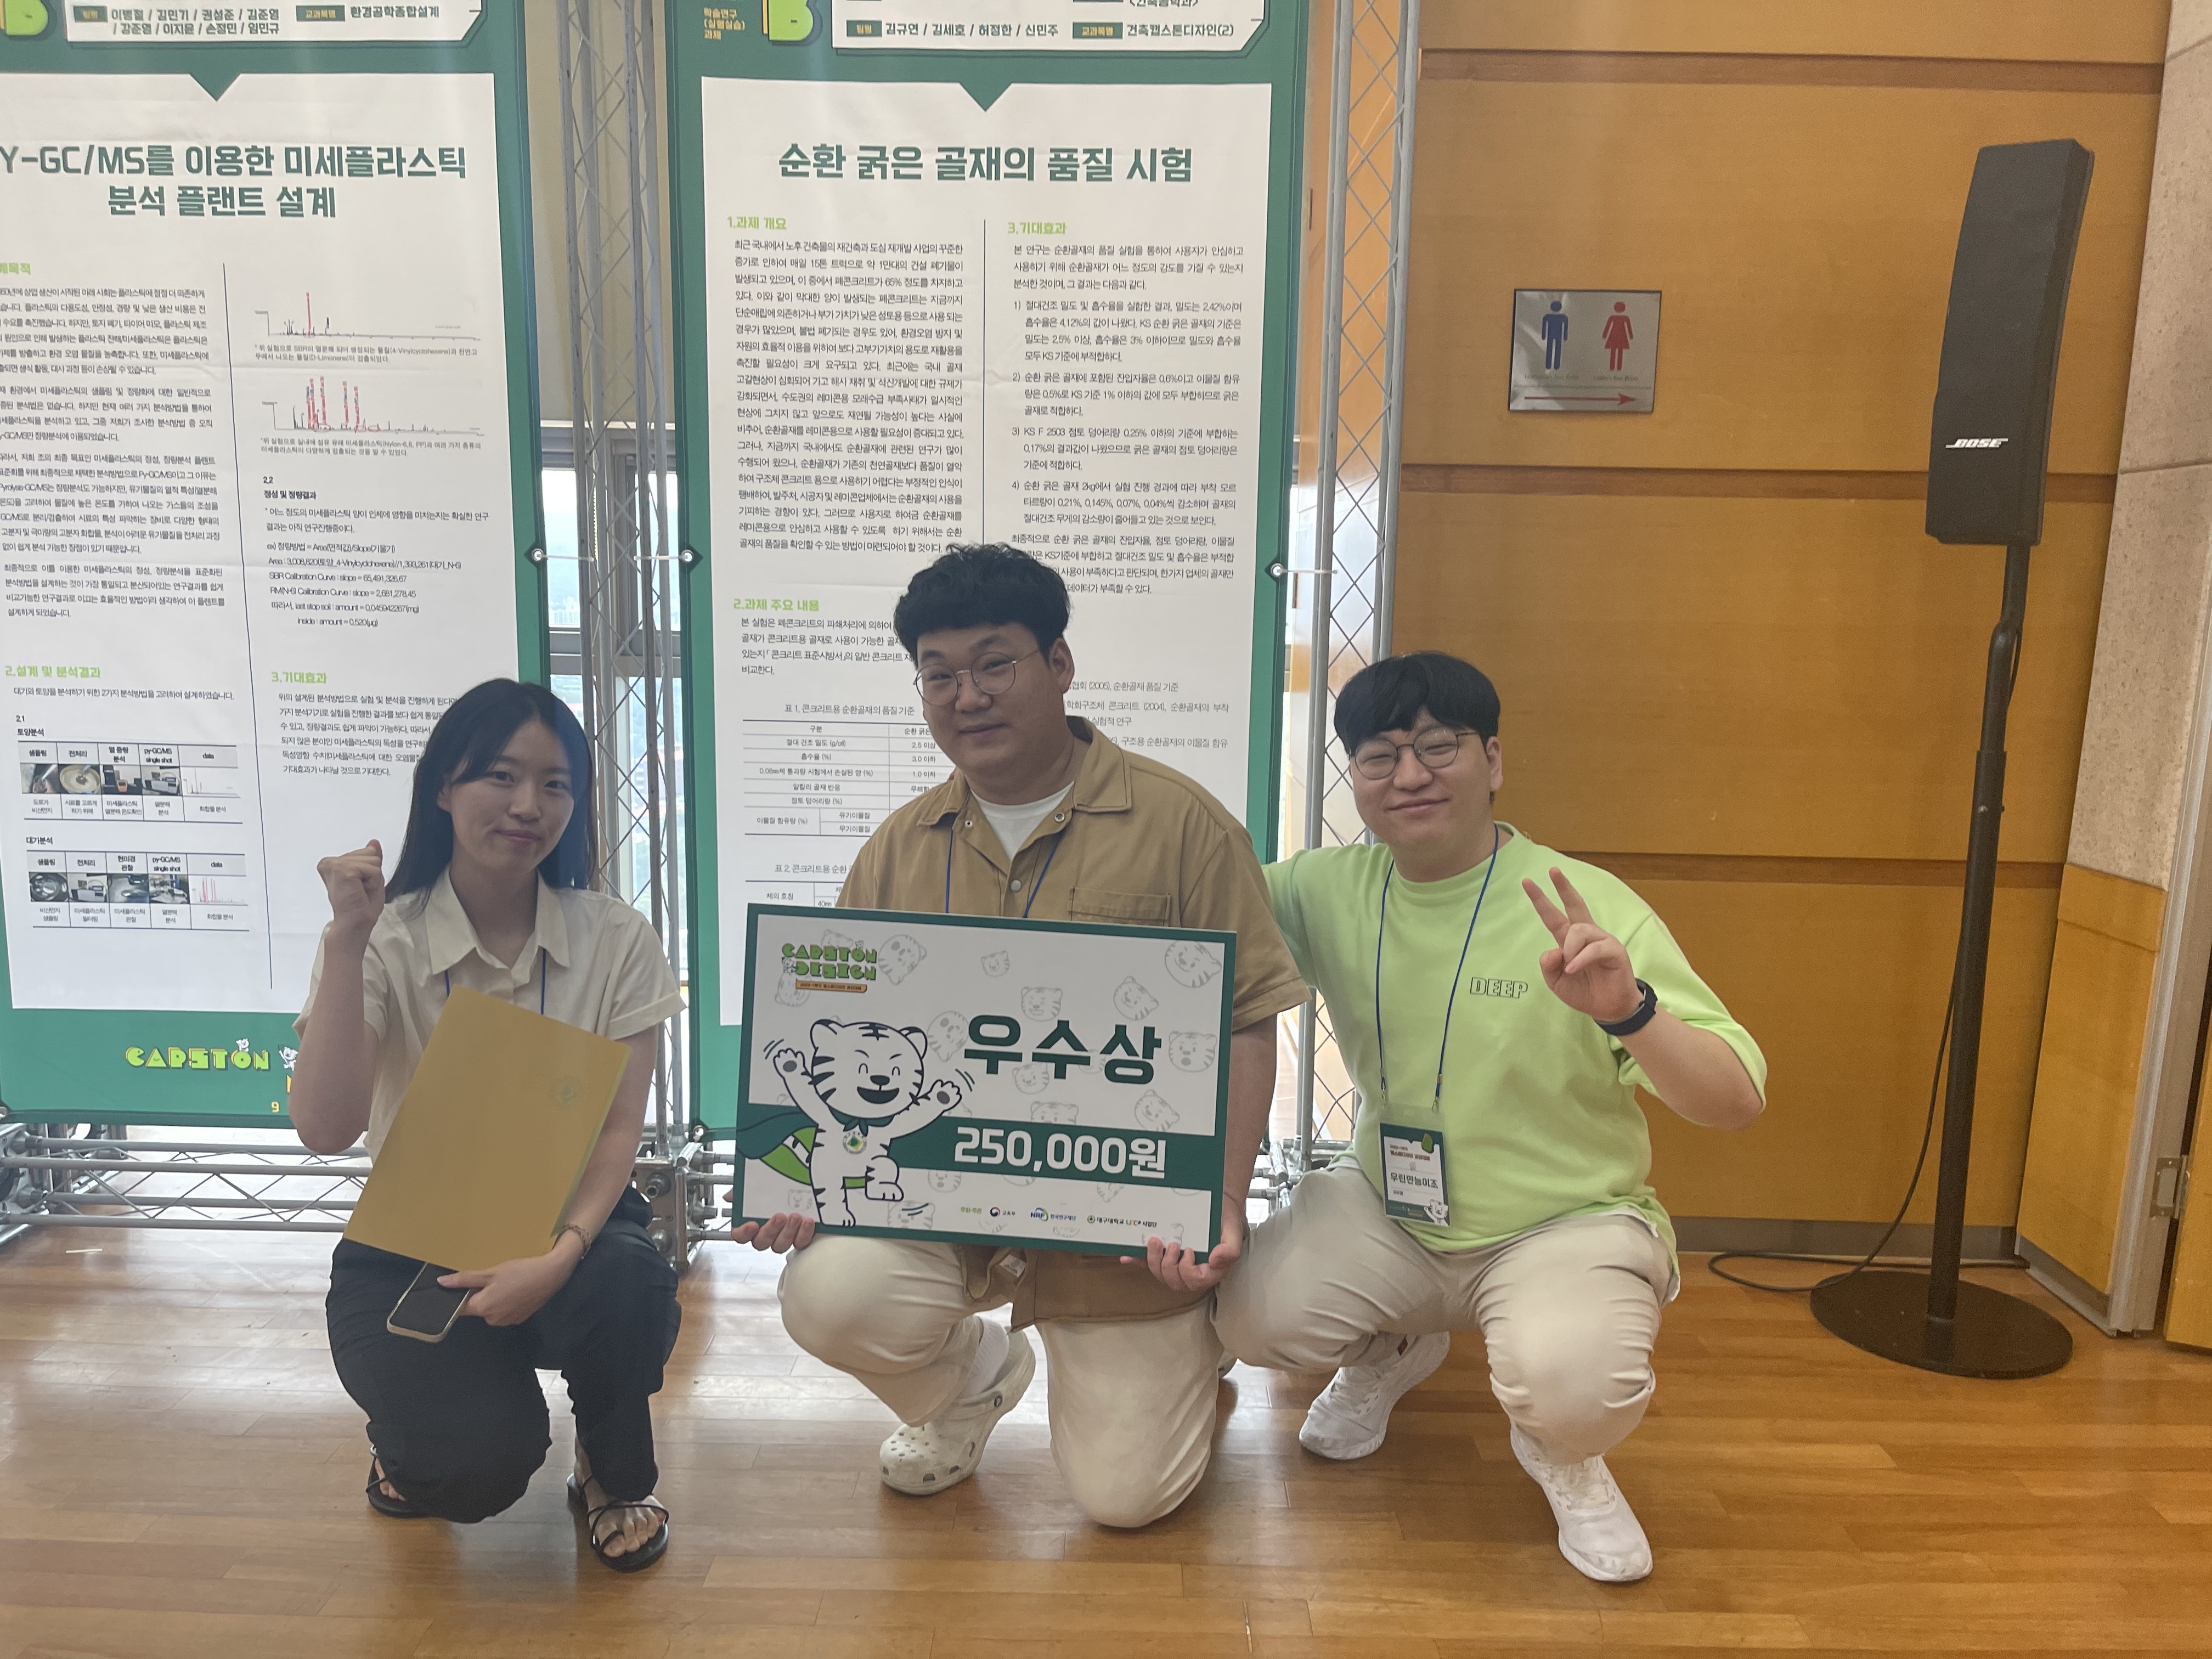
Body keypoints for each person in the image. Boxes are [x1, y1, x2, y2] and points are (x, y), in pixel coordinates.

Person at [740, 544, 1307, 1527]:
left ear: (1060, 663)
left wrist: (1217, 1195)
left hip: (1121, 1234)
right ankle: (971, 1385)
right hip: (944, 1210)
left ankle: (1193, 1344)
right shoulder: (898, 847)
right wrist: (795, 1187)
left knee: (1127, 1500)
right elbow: (838, 1030)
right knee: (829, 1296)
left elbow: (1246, 1020)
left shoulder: (1183, 825)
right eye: (939, 675)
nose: (967, 696)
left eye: (995, 664)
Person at [1214, 651, 1765, 1583]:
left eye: (1439, 746)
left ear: (1494, 760)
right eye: (1380, 755)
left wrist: (1630, 1012)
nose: (1411, 775)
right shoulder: (1320, 889)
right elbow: (1195, 920)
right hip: (1392, 1207)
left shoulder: (1582, 906)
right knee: (1252, 1319)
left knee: (1575, 1391)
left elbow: (1736, 1100)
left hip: (1564, 1220)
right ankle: (1397, 1345)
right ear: (1355, 779)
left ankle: (1564, 1452)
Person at [291, 679, 686, 1571]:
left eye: (556, 784)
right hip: (414, 1237)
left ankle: (612, 1472)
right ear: (443, 787)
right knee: (471, 1471)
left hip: (571, 1219)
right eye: (500, 776)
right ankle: (414, 1435)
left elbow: (619, 1131)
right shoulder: (383, 937)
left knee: (628, 1282)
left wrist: (561, 1255)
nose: (527, 805)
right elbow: (324, 1126)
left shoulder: (617, 938)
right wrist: (346, 942)